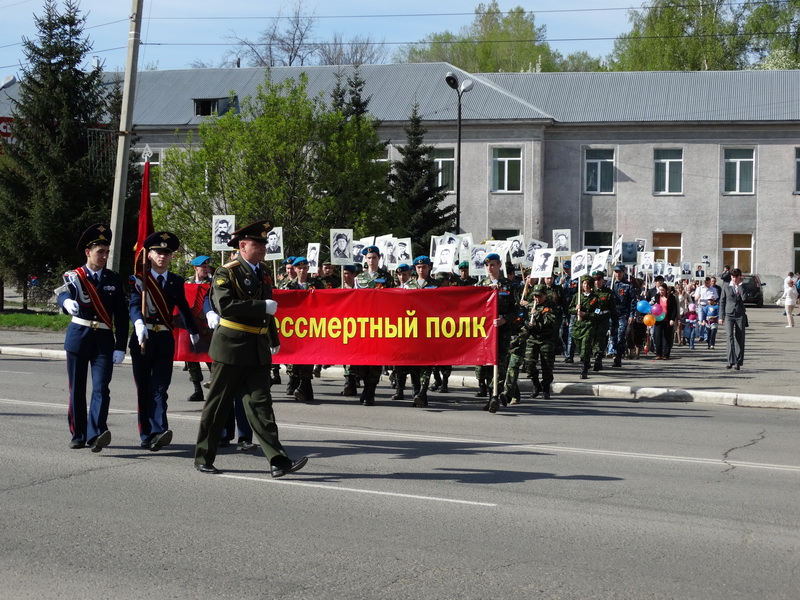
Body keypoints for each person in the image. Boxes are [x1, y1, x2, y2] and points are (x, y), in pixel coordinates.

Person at [194, 220, 308, 477]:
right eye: (257, 244)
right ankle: (203, 455)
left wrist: (273, 337)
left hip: (257, 348)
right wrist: (260, 308)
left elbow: (269, 310)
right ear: (242, 245)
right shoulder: (227, 272)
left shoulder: (264, 271)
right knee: (218, 405)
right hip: (231, 347)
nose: (263, 248)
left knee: (261, 405)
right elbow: (226, 306)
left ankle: (278, 460)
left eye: (264, 244)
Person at [56, 224, 128, 451]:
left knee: (101, 388)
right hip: (79, 337)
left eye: (107, 252)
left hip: (104, 341)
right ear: (88, 253)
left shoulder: (113, 279)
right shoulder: (75, 276)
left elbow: (122, 315)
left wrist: (121, 346)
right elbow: (64, 293)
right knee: (77, 389)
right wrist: (66, 303)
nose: (105, 256)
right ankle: (77, 433)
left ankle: (96, 433)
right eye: (100, 252)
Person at [129, 231, 200, 451]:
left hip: (164, 338)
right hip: (144, 338)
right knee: (144, 388)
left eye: (166, 253)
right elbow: (133, 304)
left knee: (160, 387)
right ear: (149, 254)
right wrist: (138, 323)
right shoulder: (139, 279)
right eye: (158, 252)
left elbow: (184, 308)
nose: (162, 256)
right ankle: (146, 434)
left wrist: (193, 330)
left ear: (171, 257)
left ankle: (160, 430)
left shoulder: (176, 281)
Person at [503, 284, 559, 403]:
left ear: (545, 295)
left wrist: (537, 314)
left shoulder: (550, 306)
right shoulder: (529, 305)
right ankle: (536, 384)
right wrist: (528, 322)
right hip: (532, 338)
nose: (536, 298)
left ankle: (546, 388)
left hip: (546, 339)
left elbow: (551, 320)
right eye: (534, 296)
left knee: (547, 366)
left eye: (539, 296)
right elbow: (522, 318)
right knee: (528, 364)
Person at [479, 253, 521, 413]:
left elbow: (516, 309)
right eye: (487, 265)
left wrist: (505, 320)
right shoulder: (481, 285)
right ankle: (491, 395)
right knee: (487, 364)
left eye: (493, 265)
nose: (490, 268)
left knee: (501, 363)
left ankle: (495, 395)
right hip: (486, 330)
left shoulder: (508, 285)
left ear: (499, 265)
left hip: (502, 329)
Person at [281, 256, 325, 402]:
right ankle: (298, 384)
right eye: (299, 268)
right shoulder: (288, 285)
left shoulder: (317, 284)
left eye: (304, 268)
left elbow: (326, 301)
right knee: (295, 357)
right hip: (293, 327)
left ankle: (305, 386)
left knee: (308, 356)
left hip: (312, 326)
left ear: (308, 268)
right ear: (294, 269)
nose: (302, 271)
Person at [185, 255, 213, 402]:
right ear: (196, 268)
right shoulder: (187, 283)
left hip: (207, 325)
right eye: (203, 267)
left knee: (210, 356)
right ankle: (197, 389)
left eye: (207, 267)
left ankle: (214, 387)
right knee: (191, 358)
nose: (206, 269)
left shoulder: (212, 283)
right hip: (191, 325)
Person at [719, 268, 747, 370]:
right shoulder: (726, 286)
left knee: (740, 338)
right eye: (733, 276)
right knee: (729, 336)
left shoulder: (741, 286)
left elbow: (744, 298)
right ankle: (730, 360)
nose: (734, 279)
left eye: (736, 277)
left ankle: (738, 362)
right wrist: (721, 317)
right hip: (729, 314)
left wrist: (740, 287)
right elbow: (722, 301)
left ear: (740, 277)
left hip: (740, 314)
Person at [608, 264, 635, 367]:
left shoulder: (628, 285)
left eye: (619, 272)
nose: (617, 274)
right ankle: (614, 352)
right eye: (616, 272)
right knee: (612, 336)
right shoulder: (609, 284)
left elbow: (632, 301)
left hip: (623, 314)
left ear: (623, 272)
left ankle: (618, 357)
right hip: (611, 314)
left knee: (621, 335)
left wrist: (631, 315)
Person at [570, 275, 596, 379]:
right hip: (578, 326)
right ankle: (585, 360)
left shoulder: (595, 297)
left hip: (588, 325)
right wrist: (576, 309)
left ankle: (584, 368)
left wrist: (586, 314)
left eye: (587, 283)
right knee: (579, 346)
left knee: (585, 346)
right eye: (584, 283)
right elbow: (570, 309)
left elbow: (598, 312)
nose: (585, 285)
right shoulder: (577, 296)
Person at [651, 283, 678, 360]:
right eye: (660, 290)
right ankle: (658, 354)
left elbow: (674, 309)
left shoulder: (671, 297)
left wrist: (672, 319)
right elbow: (653, 306)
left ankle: (666, 355)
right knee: (657, 336)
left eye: (662, 290)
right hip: (658, 319)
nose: (661, 291)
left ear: (666, 290)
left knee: (667, 337)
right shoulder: (657, 296)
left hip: (667, 319)